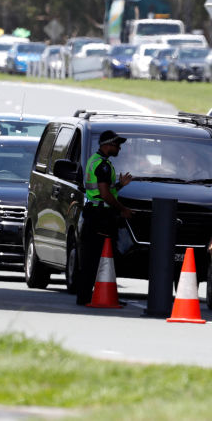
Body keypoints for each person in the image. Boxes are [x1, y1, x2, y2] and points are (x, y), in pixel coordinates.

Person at [77, 129, 133, 306]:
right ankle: (91, 296)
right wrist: (123, 209)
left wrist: (119, 185)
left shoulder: (95, 161)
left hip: (94, 212)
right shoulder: (103, 165)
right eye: (117, 145)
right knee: (99, 256)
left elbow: (103, 192)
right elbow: (105, 195)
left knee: (92, 256)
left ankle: (87, 295)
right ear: (108, 145)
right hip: (100, 216)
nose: (119, 149)